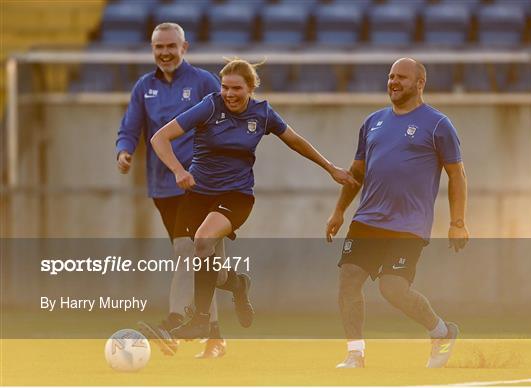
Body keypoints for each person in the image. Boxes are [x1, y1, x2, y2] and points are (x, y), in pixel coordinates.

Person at [149, 58, 359, 341]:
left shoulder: (262, 113)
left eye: (236, 88)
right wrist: (177, 170)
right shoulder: (210, 106)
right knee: (199, 259)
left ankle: (200, 321)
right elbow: (160, 138)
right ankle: (236, 284)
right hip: (198, 194)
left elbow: (295, 141)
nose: (229, 94)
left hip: (236, 196)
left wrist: (331, 168)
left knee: (202, 241)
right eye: (225, 87)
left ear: (251, 88)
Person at [326, 58, 469, 369]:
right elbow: (356, 172)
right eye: (391, 76)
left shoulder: (438, 125)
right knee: (349, 281)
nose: (393, 82)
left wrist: (458, 223)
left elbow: (456, 175)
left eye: (402, 77)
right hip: (367, 219)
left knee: (392, 288)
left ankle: (441, 332)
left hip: (409, 224)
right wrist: (339, 211)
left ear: (420, 83)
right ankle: (355, 354)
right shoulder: (372, 122)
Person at [115, 22, 230, 358]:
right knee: (207, 265)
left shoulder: (204, 83)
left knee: (187, 251)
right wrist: (124, 151)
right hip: (163, 189)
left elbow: (226, 126)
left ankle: (174, 323)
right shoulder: (143, 87)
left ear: (185, 48)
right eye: (158, 47)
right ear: (152, 50)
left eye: (171, 46)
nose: (165, 52)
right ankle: (217, 335)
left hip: (202, 185)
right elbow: (131, 126)